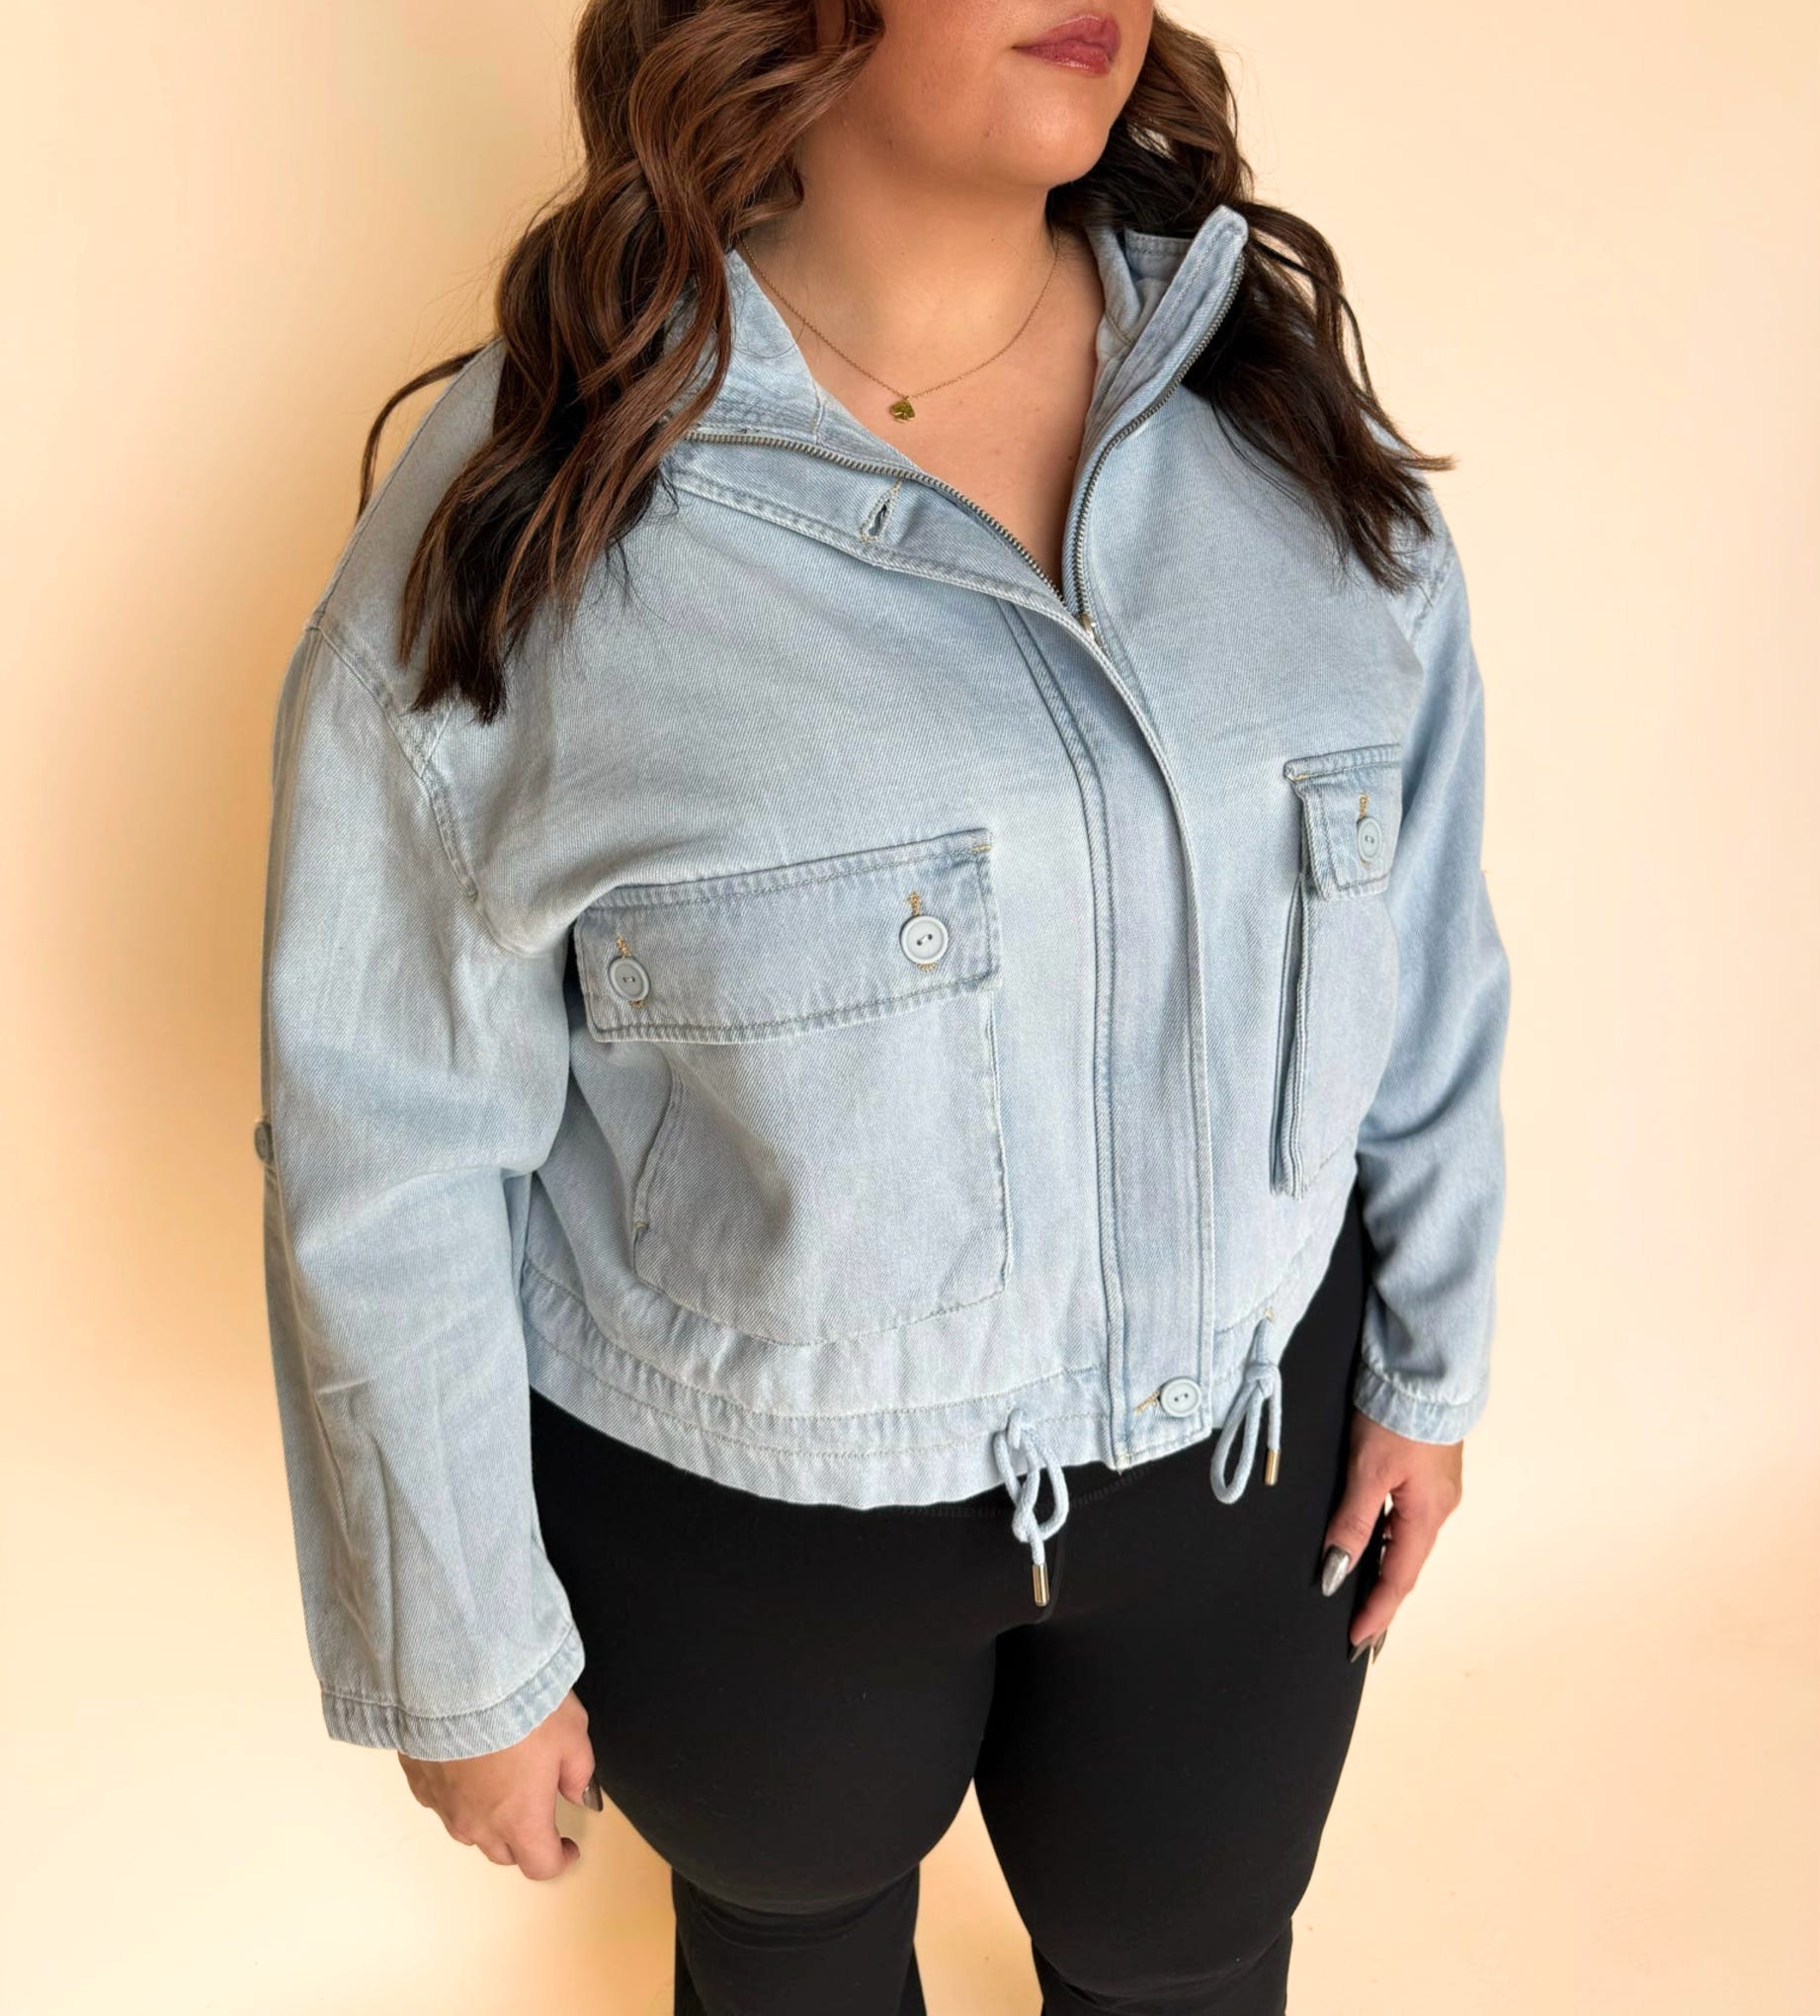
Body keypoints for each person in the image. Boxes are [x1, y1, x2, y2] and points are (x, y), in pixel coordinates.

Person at [253, 3, 1512, 2011]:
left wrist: (1429, 1364)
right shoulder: (539, 496)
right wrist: (458, 1647)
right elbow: (383, 1127)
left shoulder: (1266, 416)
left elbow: (1420, 947)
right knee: (789, 1947)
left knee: (1187, 1963)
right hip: (741, 1530)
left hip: (1243, 1470)